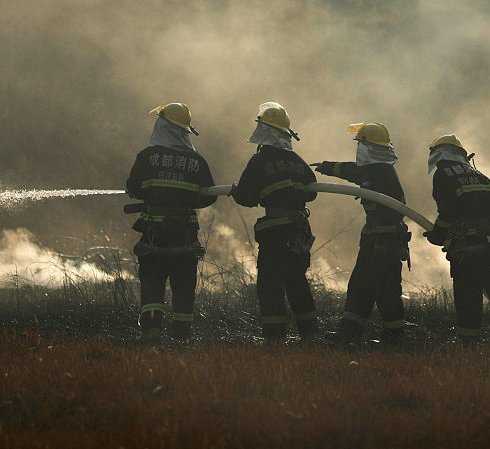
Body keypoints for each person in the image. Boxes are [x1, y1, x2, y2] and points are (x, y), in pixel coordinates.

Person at [125, 103, 218, 344]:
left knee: (153, 283)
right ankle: (181, 336)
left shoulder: (147, 157)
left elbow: (133, 188)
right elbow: (210, 195)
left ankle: (152, 329)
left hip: (154, 233)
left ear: (163, 126)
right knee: (184, 286)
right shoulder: (197, 161)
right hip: (185, 235)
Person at [313, 122, 410, 345]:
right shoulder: (374, 171)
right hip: (372, 240)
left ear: (370, 147)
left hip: (385, 241)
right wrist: (327, 166)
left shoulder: (384, 173)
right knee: (360, 286)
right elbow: (353, 172)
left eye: (361, 144)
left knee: (386, 290)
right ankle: (349, 335)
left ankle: (394, 340)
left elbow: (394, 209)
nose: (358, 149)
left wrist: (383, 244)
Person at [231, 102, 319, 344]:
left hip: (275, 235)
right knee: (297, 282)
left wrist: (236, 192)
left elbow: (246, 198)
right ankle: (310, 335)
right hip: (299, 233)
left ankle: (275, 339)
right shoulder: (297, 161)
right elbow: (312, 191)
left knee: (270, 285)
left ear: (263, 131)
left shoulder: (259, 161)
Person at [423, 135, 490, 347]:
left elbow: (447, 212)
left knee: (468, 298)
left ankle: (469, 347)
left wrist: (437, 235)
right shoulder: (479, 174)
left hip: (469, 251)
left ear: (438, 153)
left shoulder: (443, 175)